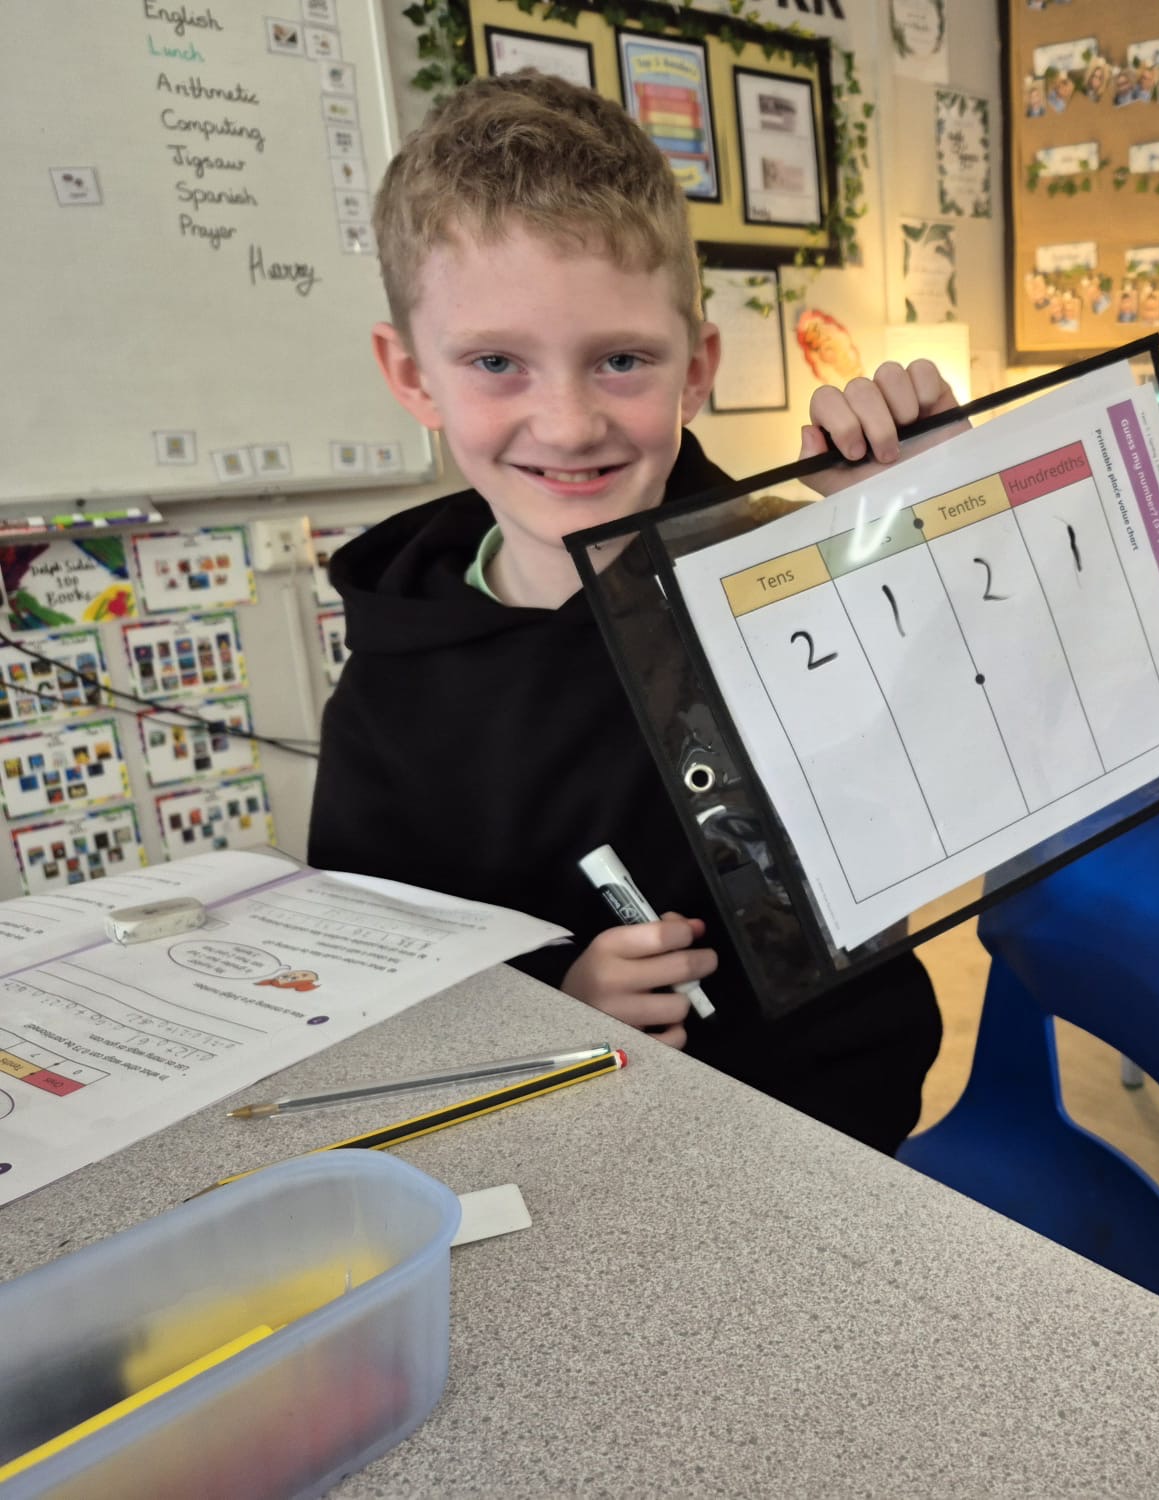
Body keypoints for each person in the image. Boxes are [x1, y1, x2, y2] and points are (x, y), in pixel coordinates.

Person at [310, 73, 948, 1155]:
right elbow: (377, 977)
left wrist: (942, 532)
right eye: (496, 363)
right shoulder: (393, 671)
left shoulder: (792, 576)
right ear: (412, 375)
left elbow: (1018, 750)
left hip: (815, 1144)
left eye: (621, 360)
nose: (567, 425)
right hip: (533, 1156)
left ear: (695, 369)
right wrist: (553, 1006)